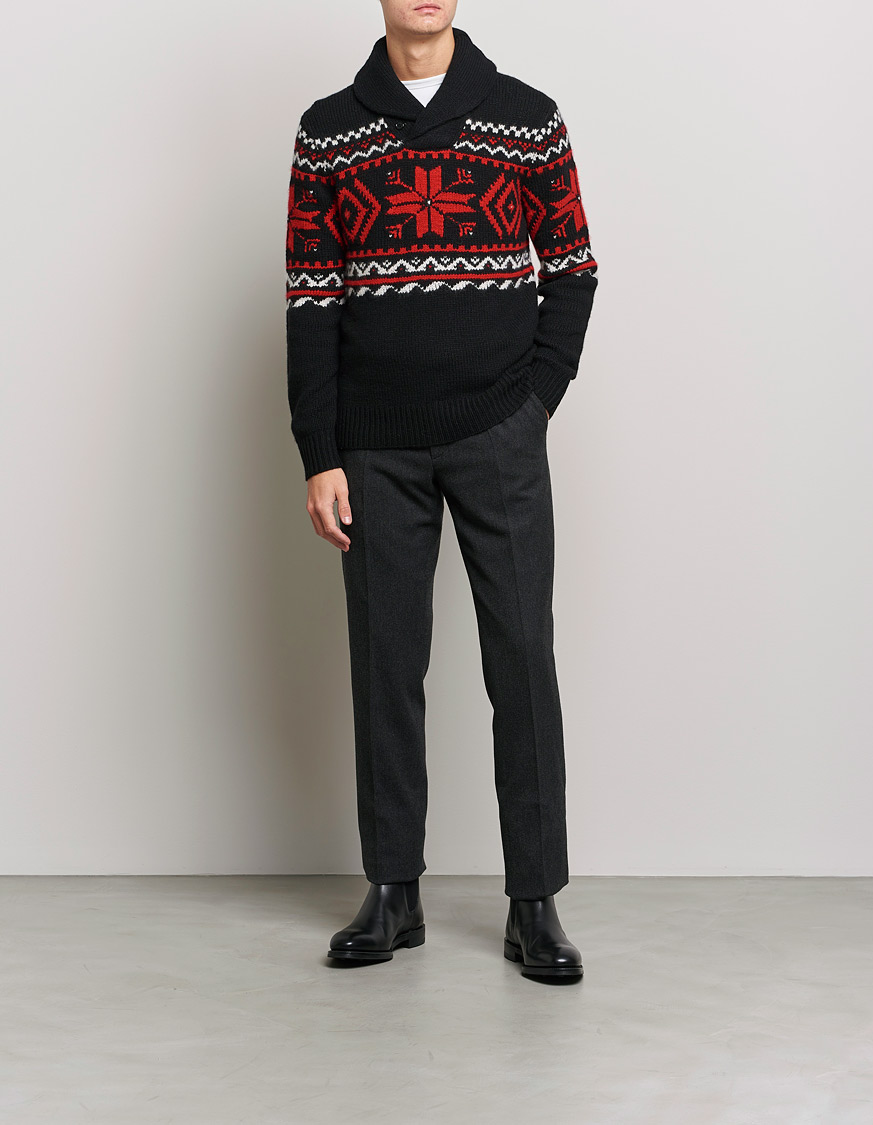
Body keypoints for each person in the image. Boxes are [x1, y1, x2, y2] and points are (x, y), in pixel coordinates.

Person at [285, 0, 597, 983]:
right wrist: (319, 452)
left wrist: (531, 406)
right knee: (386, 666)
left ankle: (534, 901)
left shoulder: (526, 116)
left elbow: (574, 270)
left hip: (497, 432)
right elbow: (310, 298)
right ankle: (393, 890)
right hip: (373, 447)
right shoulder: (328, 131)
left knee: (523, 662)